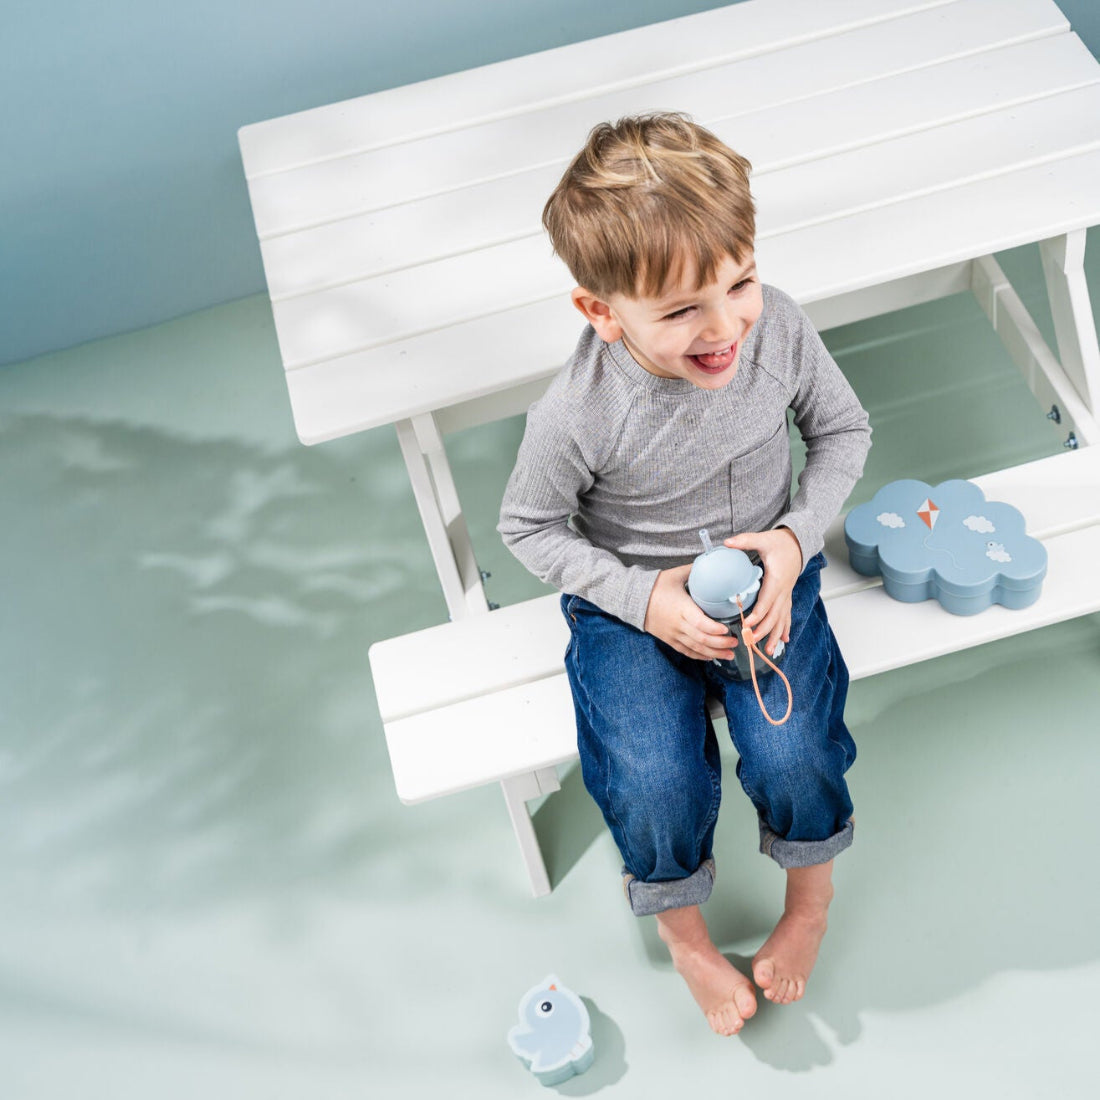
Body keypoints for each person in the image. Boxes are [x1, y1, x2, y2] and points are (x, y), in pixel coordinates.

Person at [498, 113, 871, 1037]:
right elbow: (527, 525)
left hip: (767, 575)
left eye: (739, 282)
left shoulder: (777, 329)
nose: (724, 326)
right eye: (679, 312)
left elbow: (842, 430)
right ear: (601, 312)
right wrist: (643, 599)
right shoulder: (578, 414)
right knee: (653, 776)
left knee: (795, 749)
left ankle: (811, 901)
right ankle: (685, 935)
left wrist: (793, 541)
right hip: (633, 606)